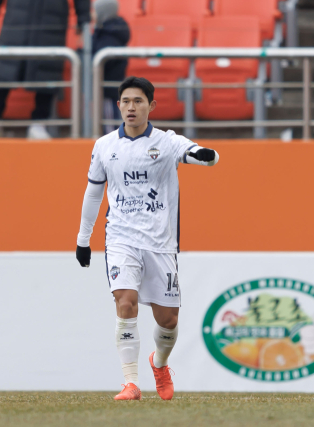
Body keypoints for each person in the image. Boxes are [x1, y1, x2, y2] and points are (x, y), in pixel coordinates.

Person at [75, 76, 219, 401]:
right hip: (121, 239)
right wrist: (83, 239)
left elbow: (194, 152)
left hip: (161, 243)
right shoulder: (104, 146)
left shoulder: (166, 142)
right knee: (124, 301)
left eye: (138, 101)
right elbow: (93, 194)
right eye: (125, 101)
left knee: (167, 321)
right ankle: (130, 383)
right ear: (118, 106)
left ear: (151, 106)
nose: (131, 107)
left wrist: (204, 155)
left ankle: (160, 362)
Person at [0, 0, 90, 140]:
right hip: (16, 19)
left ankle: (39, 123)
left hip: (52, 20)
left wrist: (83, 20)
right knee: (4, 70)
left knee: (47, 70)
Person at [91, 0, 130, 134]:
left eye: (95, 11)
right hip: (111, 85)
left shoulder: (108, 35)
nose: (92, 15)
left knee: (110, 122)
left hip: (108, 86)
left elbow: (103, 60)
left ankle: (113, 146)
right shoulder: (108, 31)